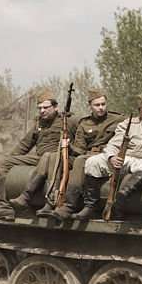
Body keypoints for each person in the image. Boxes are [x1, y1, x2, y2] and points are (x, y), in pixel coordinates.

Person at [68, 93, 142, 221]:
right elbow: (112, 145)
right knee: (93, 162)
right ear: (139, 112)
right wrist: (112, 157)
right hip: (125, 158)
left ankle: (121, 197)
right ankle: (90, 206)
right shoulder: (129, 124)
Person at [0, 90, 76, 221]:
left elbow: (83, 138)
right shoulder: (39, 123)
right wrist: (6, 159)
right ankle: (5, 207)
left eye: (46, 107)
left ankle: (47, 202)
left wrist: (72, 149)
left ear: (55, 107)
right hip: (38, 158)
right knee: (2, 164)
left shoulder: (69, 120)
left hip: (57, 159)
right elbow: (24, 145)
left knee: (49, 157)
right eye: (40, 108)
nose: (42, 111)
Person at [38, 88, 123, 220]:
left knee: (80, 161)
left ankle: (68, 205)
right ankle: (51, 201)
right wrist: (69, 148)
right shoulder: (84, 123)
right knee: (58, 157)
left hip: (106, 157)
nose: (101, 108)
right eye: (96, 105)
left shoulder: (118, 119)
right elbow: (80, 149)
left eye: (103, 104)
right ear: (89, 106)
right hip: (87, 154)